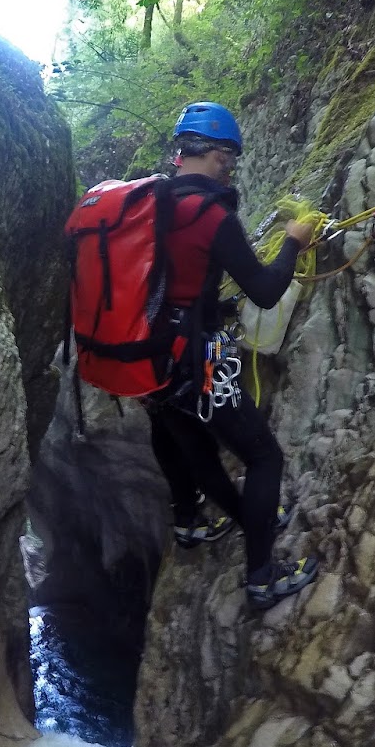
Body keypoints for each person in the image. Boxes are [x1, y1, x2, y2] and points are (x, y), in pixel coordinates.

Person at [146, 101, 319, 610]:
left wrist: (213, 304)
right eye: (228, 157)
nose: (230, 167)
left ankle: (247, 518)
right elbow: (266, 289)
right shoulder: (210, 214)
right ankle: (263, 579)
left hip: (150, 363)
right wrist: (293, 242)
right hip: (191, 361)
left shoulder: (152, 204)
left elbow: (170, 284)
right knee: (264, 457)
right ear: (215, 154)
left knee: (199, 452)